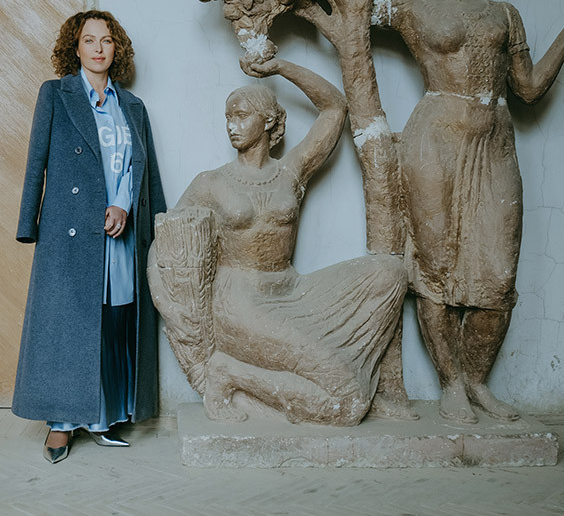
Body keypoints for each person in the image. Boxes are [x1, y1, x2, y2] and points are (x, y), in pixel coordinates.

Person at [373, 0, 564, 423]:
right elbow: (347, 10)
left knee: (498, 275)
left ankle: (477, 381)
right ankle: (451, 385)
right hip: (434, 140)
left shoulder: (504, 13)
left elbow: (528, 88)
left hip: (493, 140)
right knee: (434, 266)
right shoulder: (408, 10)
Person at [152, 56, 411, 425]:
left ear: (269, 120)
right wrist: (172, 308)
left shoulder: (290, 172)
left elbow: (335, 107)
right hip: (240, 302)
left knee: (390, 273)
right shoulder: (211, 183)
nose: (231, 125)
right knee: (347, 402)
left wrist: (278, 67)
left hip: (291, 290)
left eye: (241, 115)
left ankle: (360, 377)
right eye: (228, 117)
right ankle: (229, 373)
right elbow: (164, 242)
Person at [14, 10, 166, 463]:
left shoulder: (132, 107)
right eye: (89, 40)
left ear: (117, 48)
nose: (99, 48)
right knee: (69, 324)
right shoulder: (56, 94)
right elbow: (37, 161)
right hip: (69, 231)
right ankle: (61, 424)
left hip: (121, 230)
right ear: (75, 48)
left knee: (114, 321)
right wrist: (29, 224)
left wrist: (139, 215)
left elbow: (143, 171)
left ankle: (102, 418)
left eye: (107, 40)